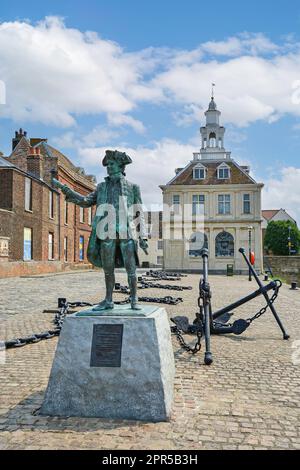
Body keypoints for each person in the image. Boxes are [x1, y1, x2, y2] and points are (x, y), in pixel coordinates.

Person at [52, 149, 148, 311]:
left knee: (131, 270)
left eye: (111, 164)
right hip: (107, 232)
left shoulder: (133, 188)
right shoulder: (102, 187)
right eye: (107, 165)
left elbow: (139, 213)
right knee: (108, 270)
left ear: (120, 165)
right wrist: (66, 189)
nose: (109, 167)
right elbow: (85, 201)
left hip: (127, 233)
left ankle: (134, 300)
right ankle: (108, 300)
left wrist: (143, 237)